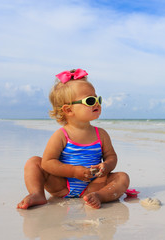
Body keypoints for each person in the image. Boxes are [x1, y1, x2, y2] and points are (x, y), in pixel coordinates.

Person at [17, 69, 129, 209]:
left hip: (94, 185)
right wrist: (74, 172)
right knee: (34, 162)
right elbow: (47, 163)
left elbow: (111, 157)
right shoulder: (62, 135)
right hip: (62, 186)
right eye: (90, 100)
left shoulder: (101, 134)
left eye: (97, 99)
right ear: (68, 110)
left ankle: (99, 196)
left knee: (123, 177)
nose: (96, 103)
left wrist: (106, 166)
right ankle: (37, 194)